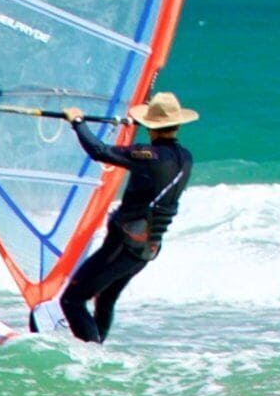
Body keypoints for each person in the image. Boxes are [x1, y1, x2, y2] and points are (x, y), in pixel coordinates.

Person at [51, 91, 197, 342]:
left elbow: (99, 151)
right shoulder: (185, 158)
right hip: (148, 248)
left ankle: (90, 354)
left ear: (151, 126)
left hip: (123, 246)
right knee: (105, 299)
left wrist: (77, 121)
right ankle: (97, 350)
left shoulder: (148, 156)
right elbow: (155, 160)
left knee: (72, 300)